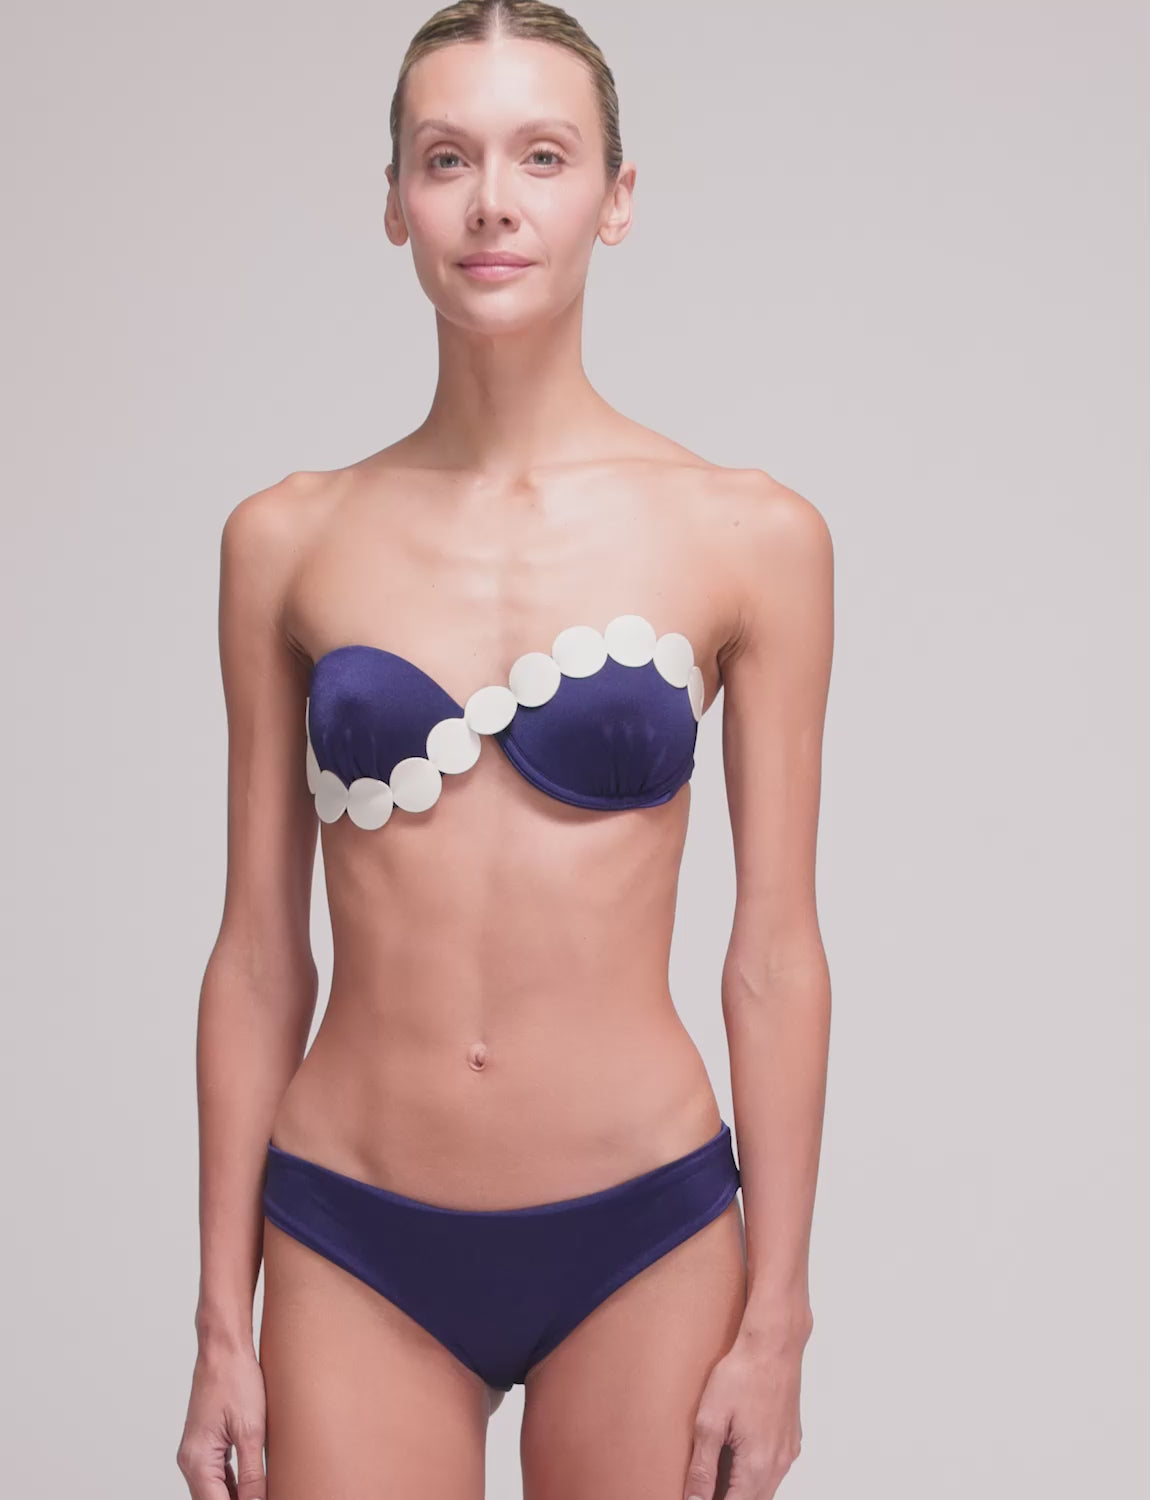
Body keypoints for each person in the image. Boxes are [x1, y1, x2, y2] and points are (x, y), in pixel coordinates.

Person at [176, 2, 834, 1497]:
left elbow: (776, 953)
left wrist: (779, 1315)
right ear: (393, 201)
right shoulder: (285, 539)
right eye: (445, 158)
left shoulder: (750, 535)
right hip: (351, 1225)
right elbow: (258, 956)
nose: (491, 202)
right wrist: (220, 1316)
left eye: (542, 156)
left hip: (645, 1226)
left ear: (615, 195)